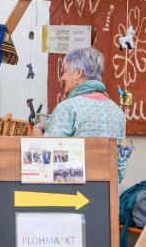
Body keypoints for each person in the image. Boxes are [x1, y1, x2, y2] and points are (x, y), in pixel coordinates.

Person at [33, 47, 127, 182]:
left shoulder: (68, 108)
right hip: (105, 197)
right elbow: (120, 169)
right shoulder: (117, 112)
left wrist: (37, 130)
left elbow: (45, 161)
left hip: (68, 196)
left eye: (65, 71)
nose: (62, 77)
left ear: (78, 73)